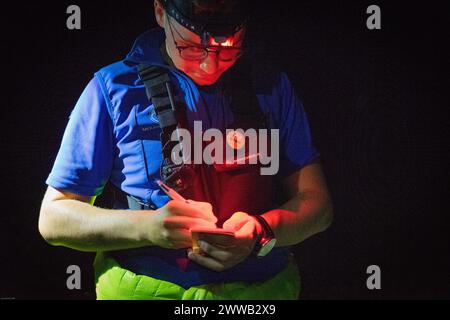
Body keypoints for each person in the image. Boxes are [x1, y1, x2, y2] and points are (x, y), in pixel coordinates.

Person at [38, 0, 333, 300]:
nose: (210, 65)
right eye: (190, 48)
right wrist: (146, 227)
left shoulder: (271, 86)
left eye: (228, 50)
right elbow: (54, 218)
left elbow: (319, 206)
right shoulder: (113, 88)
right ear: (160, 12)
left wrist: (261, 231)